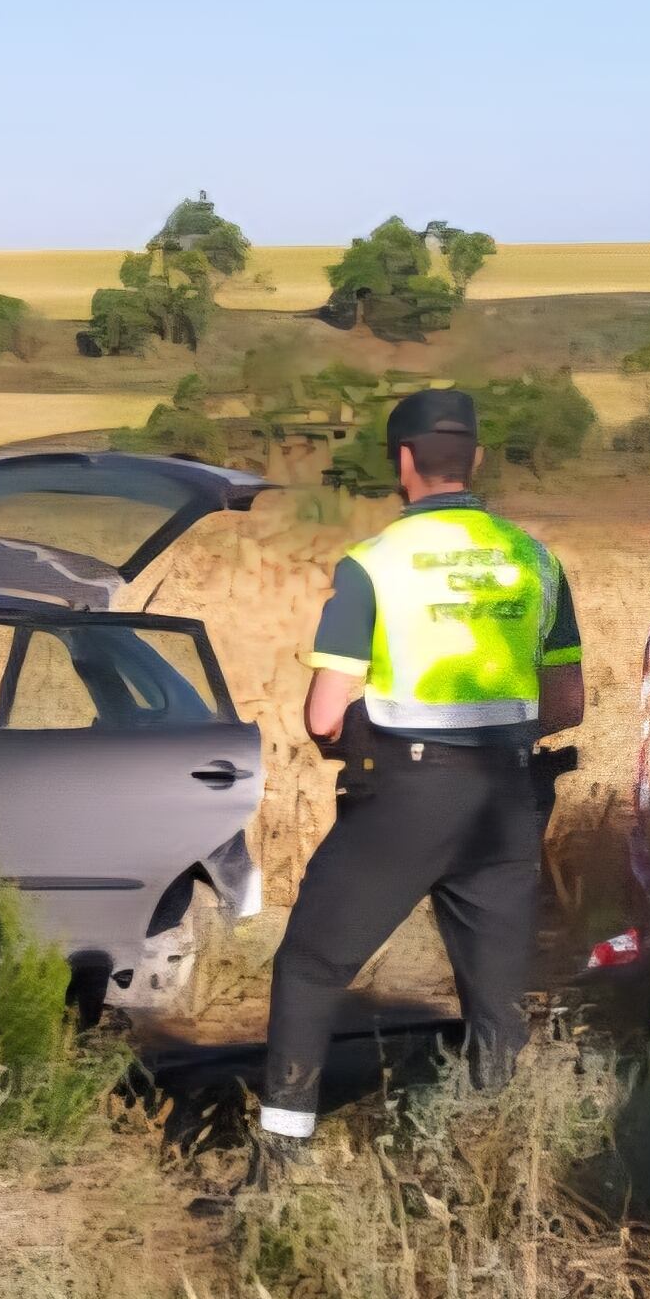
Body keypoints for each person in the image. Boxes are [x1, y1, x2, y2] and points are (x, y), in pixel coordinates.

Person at [256, 387, 583, 1153]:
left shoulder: (373, 565)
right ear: (473, 457)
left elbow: (324, 715)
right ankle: (494, 1164)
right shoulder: (535, 558)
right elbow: (565, 703)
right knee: (496, 1001)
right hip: (506, 799)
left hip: (406, 796)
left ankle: (280, 1166)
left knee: (309, 968)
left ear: (403, 461)